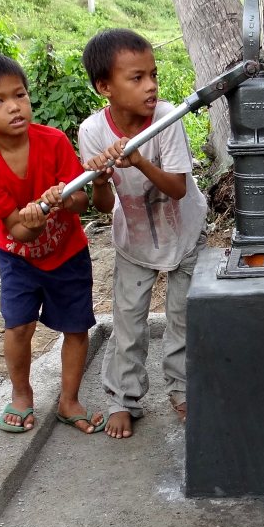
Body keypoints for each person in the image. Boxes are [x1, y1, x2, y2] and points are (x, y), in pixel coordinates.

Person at [0, 51, 106, 435]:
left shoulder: (53, 142)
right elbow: (15, 231)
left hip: (68, 252)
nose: (14, 107)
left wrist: (65, 197)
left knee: (75, 326)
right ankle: (21, 394)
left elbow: (82, 201)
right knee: (18, 327)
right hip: (18, 258)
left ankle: (69, 400)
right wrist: (32, 225)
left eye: (20, 95)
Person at [78, 29, 208, 439]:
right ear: (105, 88)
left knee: (184, 318)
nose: (150, 85)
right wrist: (100, 178)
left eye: (153, 74)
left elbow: (178, 188)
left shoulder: (167, 119)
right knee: (128, 323)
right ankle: (123, 398)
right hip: (134, 240)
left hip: (185, 234)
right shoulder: (92, 132)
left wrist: (137, 160)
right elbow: (101, 204)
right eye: (136, 78)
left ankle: (183, 388)